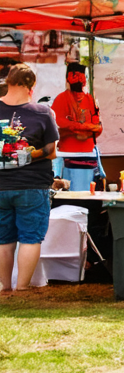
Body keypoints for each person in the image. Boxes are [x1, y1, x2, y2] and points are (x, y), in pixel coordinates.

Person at [0, 64, 60, 294]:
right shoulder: (42, 112)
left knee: (3, 240)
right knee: (30, 238)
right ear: (31, 86)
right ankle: (22, 288)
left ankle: (5, 287)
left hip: (1, 186)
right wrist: (26, 156)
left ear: (9, 82)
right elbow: (51, 151)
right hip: (32, 185)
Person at [50, 63, 102, 192]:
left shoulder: (90, 99)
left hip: (88, 157)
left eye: (82, 77)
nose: (79, 80)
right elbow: (55, 127)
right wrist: (78, 129)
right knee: (71, 195)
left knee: (85, 194)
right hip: (68, 158)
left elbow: (98, 127)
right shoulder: (61, 99)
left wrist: (87, 132)